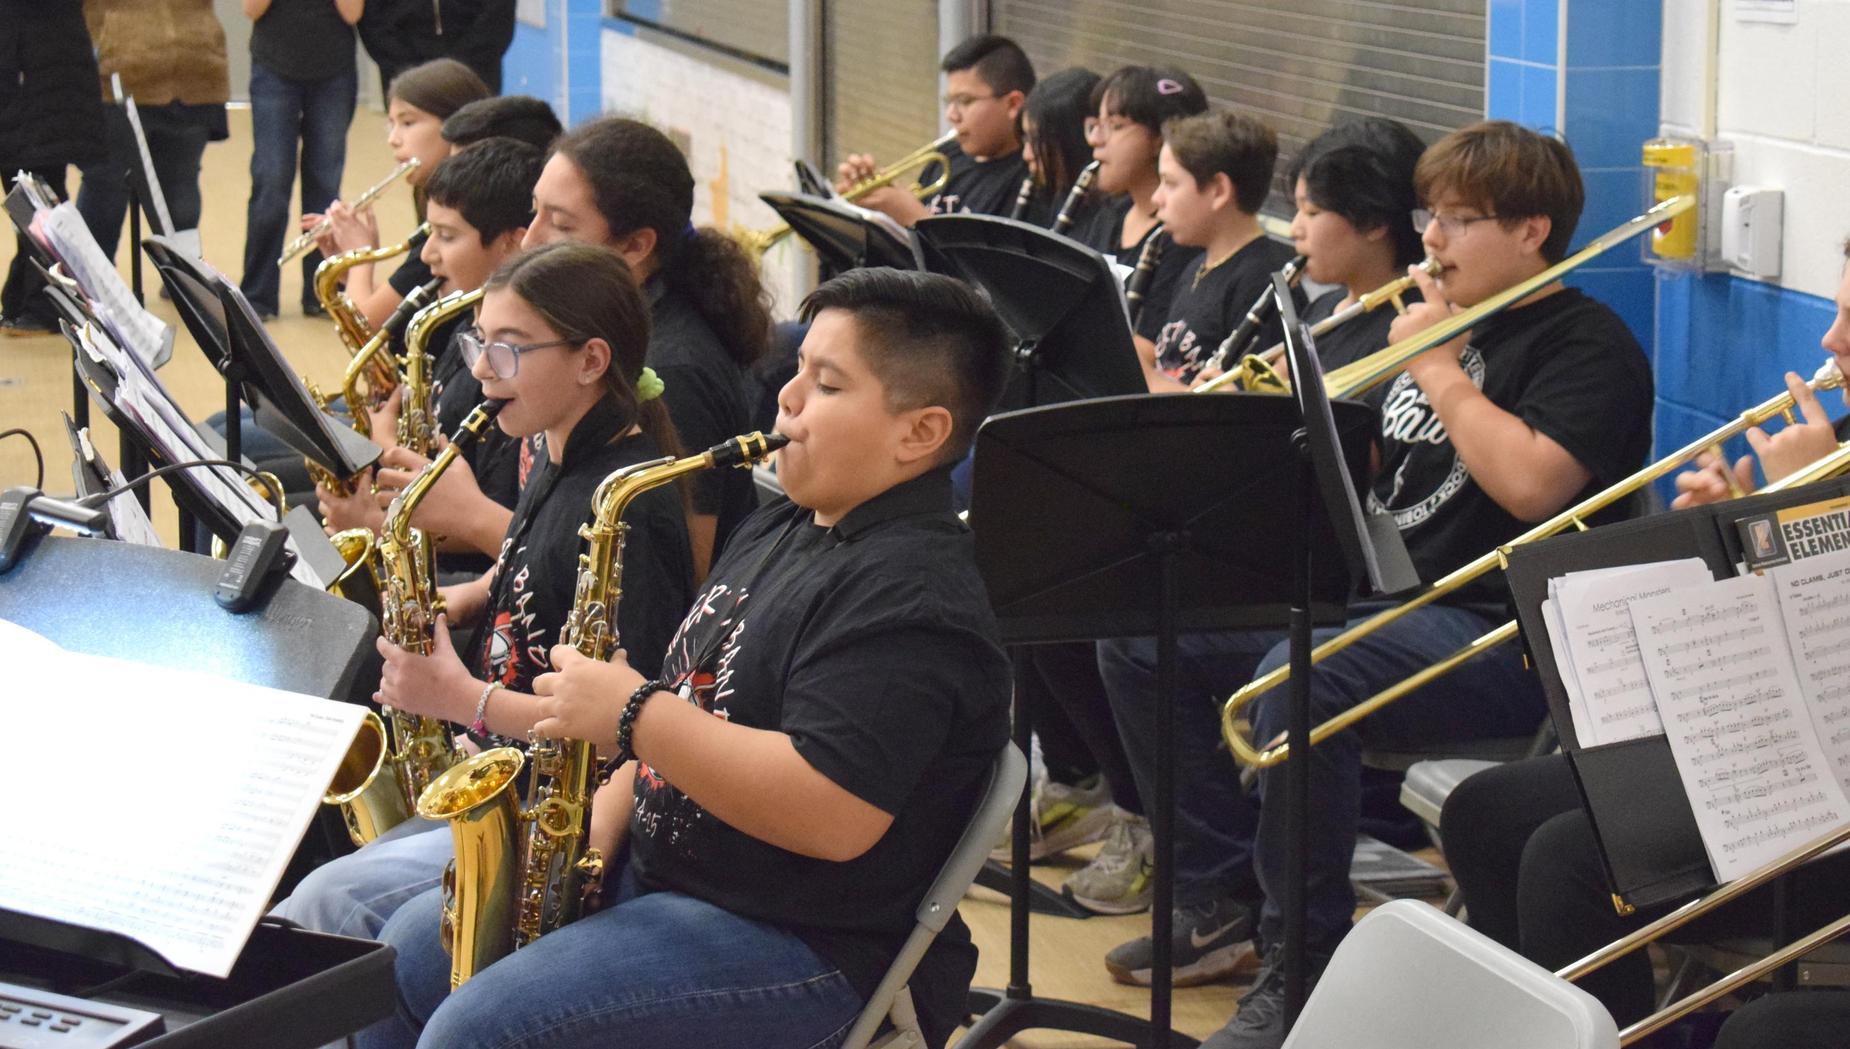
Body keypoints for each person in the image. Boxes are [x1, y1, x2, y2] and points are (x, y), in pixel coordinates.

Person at [1091, 120, 1655, 1048]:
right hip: (1387, 596)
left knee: (1299, 682)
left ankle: (1300, 966)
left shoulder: (1586, 345)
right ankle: (1220, 887)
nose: (1429, 238)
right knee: (1147, 635)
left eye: (1461, 220)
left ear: (1532, 231)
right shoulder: (1425, 317)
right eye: (1430, 214)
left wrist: (1435, 369)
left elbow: (1531, 483)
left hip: (1505, 628)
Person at [357, 267, 1013, 1049]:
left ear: (922, 432)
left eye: (827, 385)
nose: (787, 400)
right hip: (665, 874)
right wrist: (586, 845)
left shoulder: (912, 599)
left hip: (803, 940)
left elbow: (832, 811)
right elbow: (690, 699)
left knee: (480, 1031)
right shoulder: (790, 523)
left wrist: (633, 713)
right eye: (797, 371)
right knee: (395, 964)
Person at [1438, 235, 1850, 1041]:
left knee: (1571, 861)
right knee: (1484, 810)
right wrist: (1732, 524)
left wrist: (1821, 504)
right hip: (1766, 751)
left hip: (1828, 803)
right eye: (1836, 310)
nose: (1831, 340)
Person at [273, 243, 695, 985]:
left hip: (549, 807)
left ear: (591, 359)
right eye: (477, 344)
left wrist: (458, 698)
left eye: (505, 350)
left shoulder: (629, 508)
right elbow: (532, 559)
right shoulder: (554, 445)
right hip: (494, 757)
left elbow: (629, 727)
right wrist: (464, 596)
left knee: (329, 902)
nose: (478, 370)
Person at [522, 116, 771, 576]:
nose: (529, 240)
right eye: (533, 211)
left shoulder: (672, 373)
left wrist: (475, 519)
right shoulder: (617, 326)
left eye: (559, 224)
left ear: (635, 246)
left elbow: (683, 576)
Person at [315, 137, 544, 578]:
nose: (427, 255)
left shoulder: (513, 360)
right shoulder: (462, 314)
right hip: (411, 525)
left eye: (447, 235)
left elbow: (492, 518)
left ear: (512, 244)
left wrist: (375, 516)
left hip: (458, 566)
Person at [310, 58, 489, 330]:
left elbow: (365, 323)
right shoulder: (429, 192)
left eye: (407, 123)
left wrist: (360, 256)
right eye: (390, 124)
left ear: (456, 125)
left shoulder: (461, 210)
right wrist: (351, 273)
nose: (393, 138)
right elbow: (409, 299)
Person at [1143, 109, 1299, 391]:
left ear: (1218, 190)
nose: (1157, 198)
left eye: (1170, 183)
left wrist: (1145, 379)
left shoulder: (1262, 280)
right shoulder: (1195, 265)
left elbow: (1232, 408)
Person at [75, 0, 230, 266]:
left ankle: (186, 282)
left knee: (180, 190)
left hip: (194, 69)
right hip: (120, 75)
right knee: (107, 186)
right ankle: (92, 286)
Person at [236, 0, 363, 322]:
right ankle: (257, 295)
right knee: (271, 180)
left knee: (324, 183)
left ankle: (320, 292)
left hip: (333, 69)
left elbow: (353, 12)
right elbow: (252, 8)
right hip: (273, 66)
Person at [1080, 65, 1209, 361]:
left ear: (1160, 138)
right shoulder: (1110, 214)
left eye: (1116, 125)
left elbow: (1152, 351)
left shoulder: (1181, 237)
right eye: (1096, 124)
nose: (1096, 140)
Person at [837, 34, 1034, 226]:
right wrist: (879, 208)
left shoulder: (1032, 177)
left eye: (965, 101)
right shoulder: (946, 156)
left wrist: (914, 217)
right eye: (949, 102)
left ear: (1013, 104)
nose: (952, 115)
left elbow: (986, 259)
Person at [1282, 118, 1429, 374]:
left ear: (1374, 221)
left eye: (1312, 212)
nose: (1295, 230)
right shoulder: (1324, 306)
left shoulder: (1408, 326)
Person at [0, 0, 105, 336]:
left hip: (35, 86)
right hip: (40, 81)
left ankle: (43, 303)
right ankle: (26, 299)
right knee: (35, 198)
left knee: (35, 200)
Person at [358, 0, 515, 95]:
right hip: (404, 67)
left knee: (476, 142)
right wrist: (404, 66)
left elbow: (499, 14)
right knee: (415, 146)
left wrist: (462, 65)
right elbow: (372, 19)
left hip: (476, 67)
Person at [1016, 66, 1101, 230]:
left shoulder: (1106, 217)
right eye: (1026, 138)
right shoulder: (1055, 195)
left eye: (1037, 140)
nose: (1027, 155)